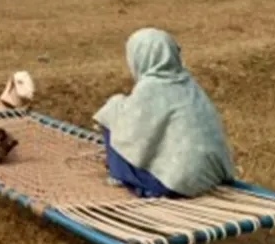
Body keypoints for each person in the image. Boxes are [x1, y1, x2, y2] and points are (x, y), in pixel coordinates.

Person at [92, 27, 234, 199]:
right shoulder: (190, 84)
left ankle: (121, 177)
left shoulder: (151, 88)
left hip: (179, 184)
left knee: (113, 109)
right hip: (213, 176)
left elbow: (129, 138)